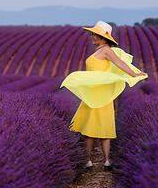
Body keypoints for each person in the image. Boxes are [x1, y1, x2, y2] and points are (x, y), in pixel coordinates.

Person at [61, 21, 148, 171]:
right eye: (92, 34)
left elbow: (120, 63)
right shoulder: (101, 50)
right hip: (94, 93)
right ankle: (103, 161)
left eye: (95, 34)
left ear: (103, 37)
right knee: (99, 127)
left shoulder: (106, 50)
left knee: (92, 129)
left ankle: (92, 161)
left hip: (98, 95)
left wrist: (134, 74)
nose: (92, 36)